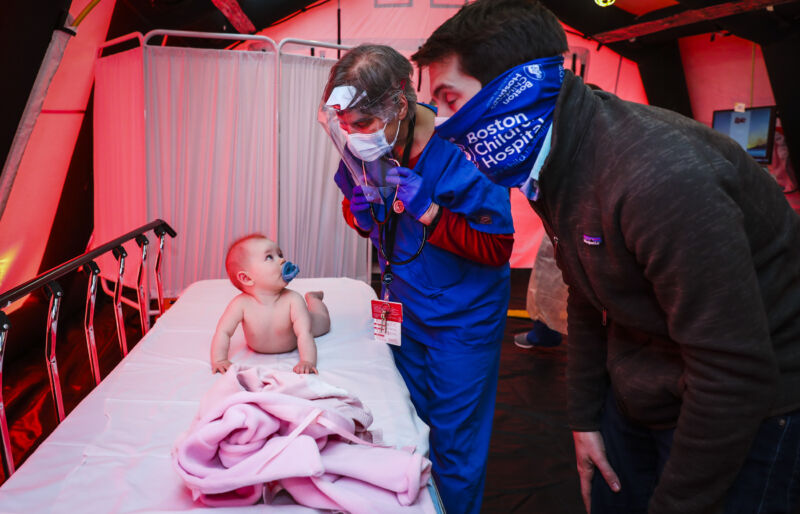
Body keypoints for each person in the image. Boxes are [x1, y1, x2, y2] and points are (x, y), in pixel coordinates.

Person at [412, 1, 800, 513]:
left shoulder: (658, 179)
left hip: (746, 411)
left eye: (450, 100)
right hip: (646, 388)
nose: (442, 125)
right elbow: (588, 293)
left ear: (516, 89)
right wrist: (586, 418)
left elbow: (733, 371)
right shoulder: (556, 156)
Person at [320, 44, 514, 514]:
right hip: (402, 309)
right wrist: (359, 212)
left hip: (459, 323)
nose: (354, 136)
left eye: (362, 124)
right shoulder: (374, 146)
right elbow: (376, 223)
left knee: (454, 445)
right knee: (405, 425)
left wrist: (430, 212)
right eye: (346, 126)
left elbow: (497, 248)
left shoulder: (467, 151)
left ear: (399, 107)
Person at [210, 234, 330, 375]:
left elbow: (305, 333)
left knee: (323, 322)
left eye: (280, 254)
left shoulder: (293, 300)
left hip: (311, 324)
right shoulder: (240, 304)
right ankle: (312, 297)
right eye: (269, 257)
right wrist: (219, 360)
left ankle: (313, 299)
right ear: (246, 278)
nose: (282, 260)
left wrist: (307, 361)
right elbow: (223, 332)